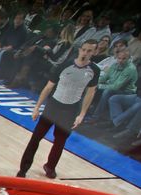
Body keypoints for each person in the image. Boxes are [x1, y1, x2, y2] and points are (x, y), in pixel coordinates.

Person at [16, 39, 99, 179]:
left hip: (71, 109)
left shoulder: (95, 70)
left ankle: (50, 166)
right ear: (80, 50)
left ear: (94, 52)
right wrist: (37, 107)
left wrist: (82, 114)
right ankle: (23, 169)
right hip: (53, 106)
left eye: (89, 50)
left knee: (60, 142)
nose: (85, 52)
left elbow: (91, 92)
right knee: (36, 138)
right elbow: (48, 87)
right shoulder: (64, 65)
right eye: (84, 49)